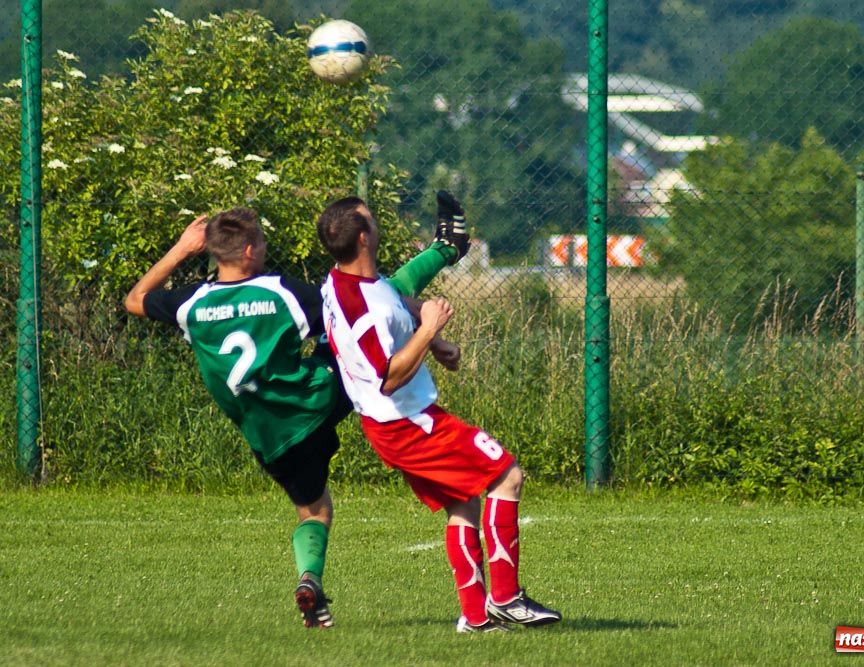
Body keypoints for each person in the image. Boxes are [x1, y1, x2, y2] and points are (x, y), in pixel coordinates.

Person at [123, 198, 469, 628]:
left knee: (314, 510)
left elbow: (135, 299)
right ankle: (446, 248)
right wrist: (430, 334)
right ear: (249, 251)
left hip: (266, 436)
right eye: (262, 241)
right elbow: (365, 301)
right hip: (316, 399)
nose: (266, 247)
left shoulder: (191, 304)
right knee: (376, 289)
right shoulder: (279, 291)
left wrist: (181, 249)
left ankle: (310, 580)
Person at [317, 196, 562, 633]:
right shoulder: (365, 308)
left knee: (463, 501)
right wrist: (431, 326)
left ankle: (476, 617)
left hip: (394, 423)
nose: (376, 223)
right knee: (507, 476)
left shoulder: (344, 280)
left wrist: (432, 342)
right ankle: (506, 598)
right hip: (407, 423)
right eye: (371, 220)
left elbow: (393, 297)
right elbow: (388, 376)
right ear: (363, 238)